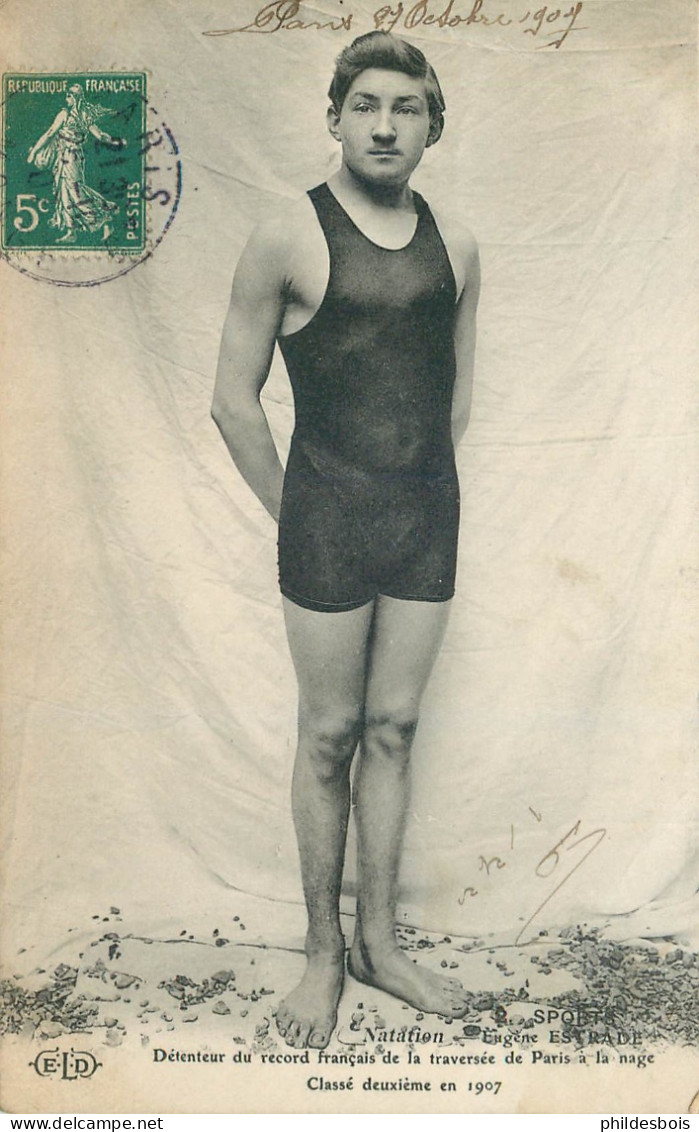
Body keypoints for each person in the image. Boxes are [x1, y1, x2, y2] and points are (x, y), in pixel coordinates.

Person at [212, 30, 481, 1050]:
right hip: (324, 519)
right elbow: (233, 405)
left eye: (405, 107)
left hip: (424, 516)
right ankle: (324, 957)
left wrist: (407, 492)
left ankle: (383, 945)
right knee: (328, 733)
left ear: (430, 125)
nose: (383, 124)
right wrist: (306, 510)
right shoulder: (287, 233)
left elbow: (451, 401)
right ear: (334, 115)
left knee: (394, 730)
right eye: (365, 103)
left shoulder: (460, 246)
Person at [27, 84, 125, 243]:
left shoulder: (65, 114)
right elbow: (100, 135)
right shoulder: (85, 115)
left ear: (75, 98)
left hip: (70, 157)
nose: (66, 98)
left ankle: (105, 218)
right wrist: (114, 141)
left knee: (74, 191)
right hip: (70, 157)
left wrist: (34, 152)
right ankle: (71, 231)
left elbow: (50, 133)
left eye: (69, 95)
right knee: (65, 192)